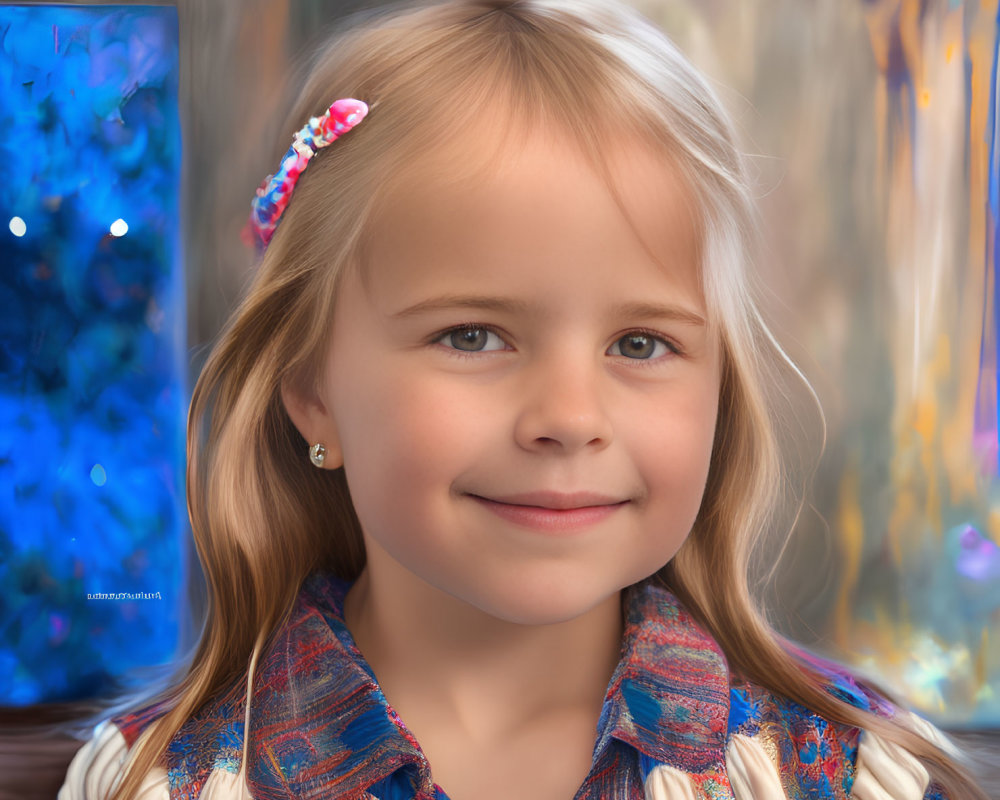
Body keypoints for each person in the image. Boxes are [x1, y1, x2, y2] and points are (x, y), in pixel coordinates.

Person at [58, 1, 989, 798]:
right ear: (311, 392)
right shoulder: (170, 779)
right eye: (473, 336)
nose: (569, 417)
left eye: (640, 343)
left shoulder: (845, 770)